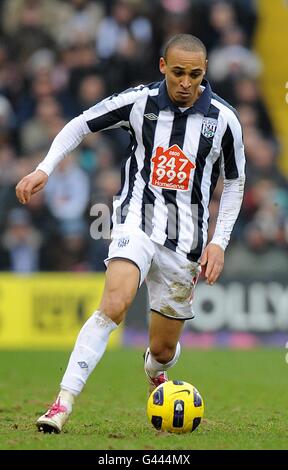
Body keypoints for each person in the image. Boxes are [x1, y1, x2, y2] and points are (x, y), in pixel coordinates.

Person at [15, 34, 245, 433]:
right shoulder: (139, 101)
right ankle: (61, 404)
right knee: (115, 303)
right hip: (135, 219)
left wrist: (218, 242)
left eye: (195, 74)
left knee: (163, 349)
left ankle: (153, 369)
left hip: (186, 242)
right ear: (162, 67)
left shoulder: (224, 120)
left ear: (204, 73)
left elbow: (236, 183)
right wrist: (44, 168)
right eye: (178, 73)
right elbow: (79, 124)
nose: (186, 82)